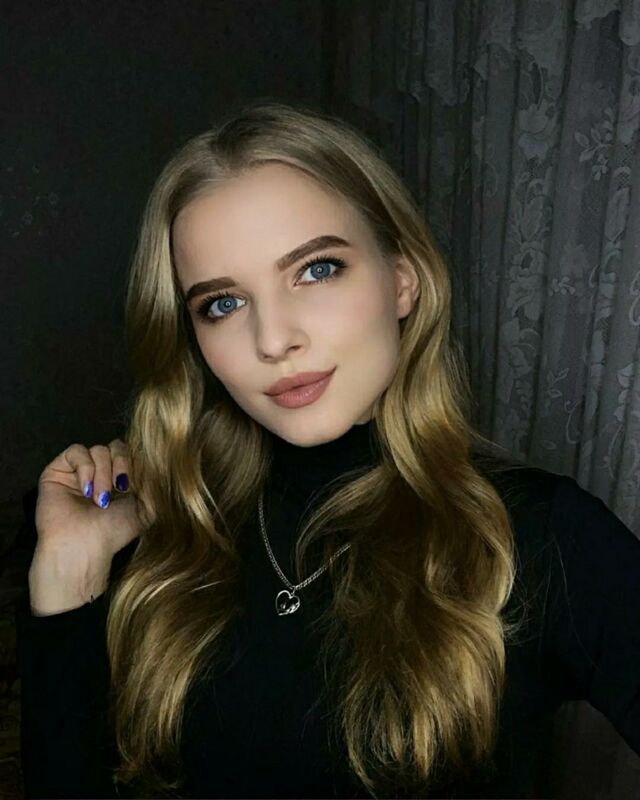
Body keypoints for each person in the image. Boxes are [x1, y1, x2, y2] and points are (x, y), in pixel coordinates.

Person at [16, 100, 640, 800]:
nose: (273, 340)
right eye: (222, 303)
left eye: (316, 270)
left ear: (402, 279)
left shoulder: (536, 535)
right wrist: (69, 577)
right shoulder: (166, 536)